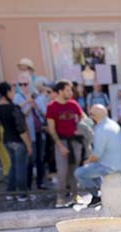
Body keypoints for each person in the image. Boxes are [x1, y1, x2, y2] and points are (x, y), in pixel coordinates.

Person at [74, 103, 121, 205]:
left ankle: (96, 196)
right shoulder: (113, 124)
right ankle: (100, 191)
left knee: (79, 173)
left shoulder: (101, 129)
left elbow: (96, 155)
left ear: (94, 116)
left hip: (108, 166)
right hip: (120, 163)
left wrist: (87, 162)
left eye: (91, 114)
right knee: (93, 168)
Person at [46, 79, 86, 207]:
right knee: (62, 172)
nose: (71, 92)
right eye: (68, 90)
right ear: (60, 91)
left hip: (75, 142)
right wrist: (60, 145)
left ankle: (75, 196)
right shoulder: (51, 107)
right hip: (61, 142)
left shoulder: (74, 104)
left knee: (74, 171)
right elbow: (51, 129)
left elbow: (84, 120)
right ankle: (60, 198)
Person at [0, 82, 32, 202]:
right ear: (7, 92)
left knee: (13, 167)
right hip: (18, 141)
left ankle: (10, 192)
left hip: (7, 140)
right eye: (12, 91)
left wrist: (26, 103)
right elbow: (21, 129)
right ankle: (22, 194)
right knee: (20, 168)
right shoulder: (12, 108)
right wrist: (28, 145)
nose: (13, 93)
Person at [14, 72, 47, 191]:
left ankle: (40, 182)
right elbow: (18, 115)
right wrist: (29, 106)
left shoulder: (37, 96)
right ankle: (27, 185)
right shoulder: (17, 98)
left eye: (25, 84)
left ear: (30, 84)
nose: (23, 86)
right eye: (20, 84)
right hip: (29, 132)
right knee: (30, 159)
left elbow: (44, 113)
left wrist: (36, 107)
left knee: (40, 158)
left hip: (39, 130)